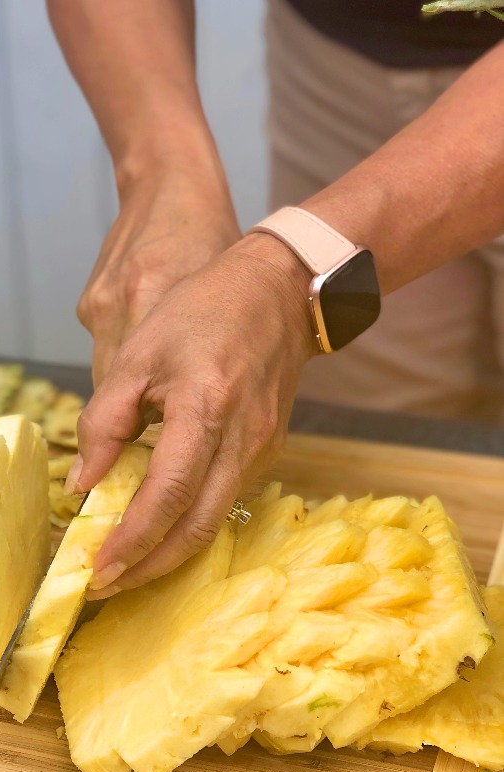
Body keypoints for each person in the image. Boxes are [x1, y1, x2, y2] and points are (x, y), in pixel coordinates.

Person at [48, 0, 504, 599]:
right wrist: (163, 177)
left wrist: (289, 271)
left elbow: (288, 280)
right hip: (336, 55)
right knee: (374, 430)